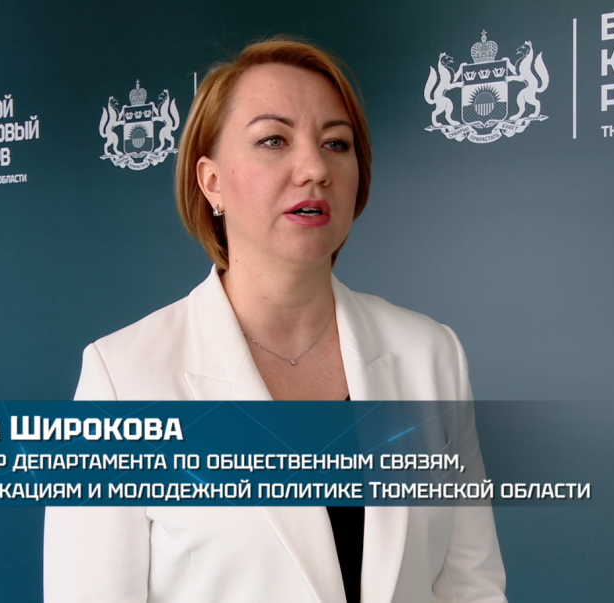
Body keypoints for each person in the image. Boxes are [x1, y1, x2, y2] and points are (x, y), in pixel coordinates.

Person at [44, 37, 506, 603]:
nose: (315, 168)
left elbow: (470, 586)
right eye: (273, 140)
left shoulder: (431, 354)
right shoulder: (122, 379)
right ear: (211, 181)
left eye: (336, 143)